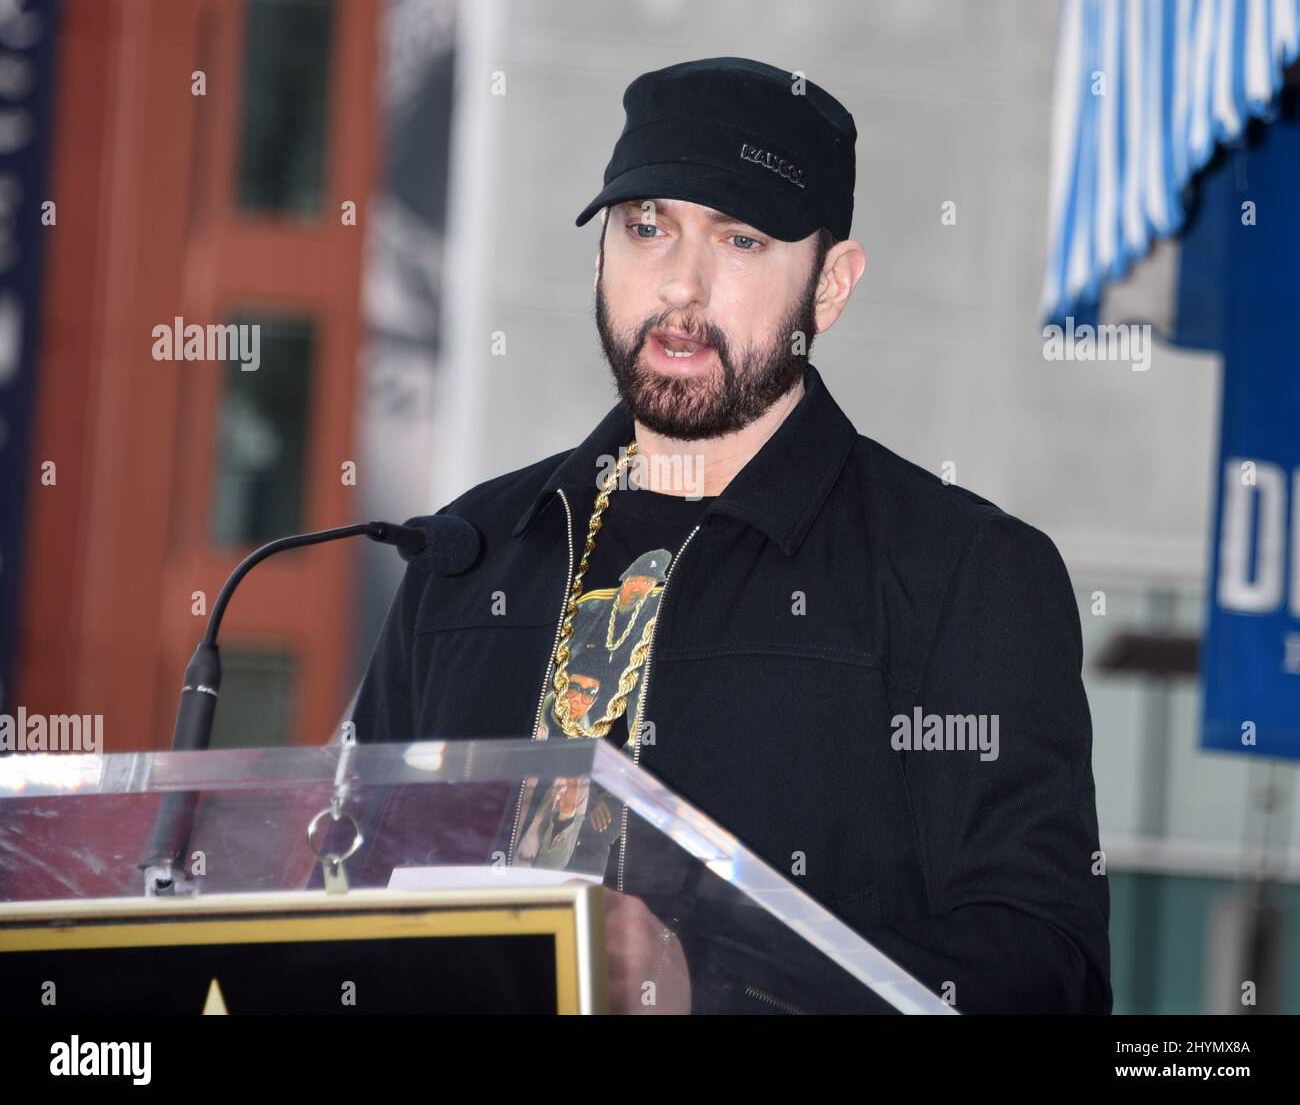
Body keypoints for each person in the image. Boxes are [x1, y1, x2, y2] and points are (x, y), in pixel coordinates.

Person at [352, 56, 1111, 1015]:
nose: (679, 285)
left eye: (742, 240)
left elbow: (1048, 971)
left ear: (829, 287)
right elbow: (351, 886)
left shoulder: (961, 573)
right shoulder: (472, 551)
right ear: (599, 256)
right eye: (645, 227)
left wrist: (705, 974)